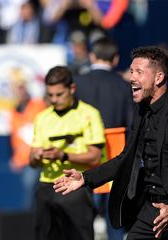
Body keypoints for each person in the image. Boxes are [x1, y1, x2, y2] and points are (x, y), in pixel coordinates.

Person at [54, 46, 168, 239]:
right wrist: (85, 178)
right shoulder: (141, 110)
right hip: (152, 209)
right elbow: (125, 158)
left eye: (139, 72)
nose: (132, 77)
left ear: (159, 78)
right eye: (132, 71)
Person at [30, 66, 106, 240]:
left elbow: (95, 157)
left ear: (72, 89)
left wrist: (63, 155)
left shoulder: (89, 114)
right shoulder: (42, 117)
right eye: (50, 95)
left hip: (76, 186)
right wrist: (36, 156)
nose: (54, 100)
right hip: (46, 186)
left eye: (59, 94)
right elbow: (31, 161)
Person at [74, 37, 134, 240]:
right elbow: (132, 124)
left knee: (82, 220)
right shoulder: (124, 86)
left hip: (82, 159)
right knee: (114, 221)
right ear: (115, 59)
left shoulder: (77, 84)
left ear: (92, 56)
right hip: (115, 161)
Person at [9, 77, 46, 210]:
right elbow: (13, 136)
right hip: (22, 160)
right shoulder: (13, 112)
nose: (20, 92)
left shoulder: (37, 105)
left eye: (22, 88)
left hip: (36, 156)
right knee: (29, 191)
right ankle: (30, 220)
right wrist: (13, 157)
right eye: (17, 89)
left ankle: (30, 220)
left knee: (31, 191)